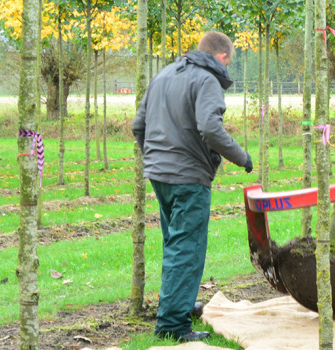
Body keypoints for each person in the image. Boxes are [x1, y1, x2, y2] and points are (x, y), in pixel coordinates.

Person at [131, 31, 252, 342]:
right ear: (222, 57)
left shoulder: (164, 74)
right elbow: (210, 128)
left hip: (160, 175)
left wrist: (155, 158)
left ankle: (179, 304)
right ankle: (172, 325)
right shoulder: (207, 80)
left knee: (175, 244)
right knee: (187, 249)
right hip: (188, 178)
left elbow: (138, 125)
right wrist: (241, 157)